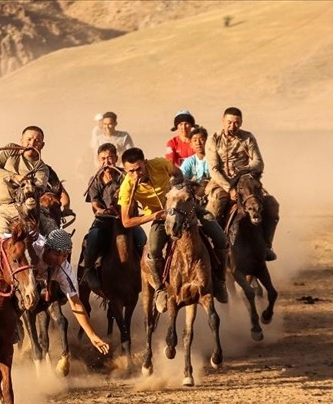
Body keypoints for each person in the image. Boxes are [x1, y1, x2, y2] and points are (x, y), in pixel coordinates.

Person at [118, 148, 228, 313]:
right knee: (153, 250)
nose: (136, 174)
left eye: (139, 168)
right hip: (160, 219)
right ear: (126, 171)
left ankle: (219, 281)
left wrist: (176, 189)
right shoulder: (127, 186)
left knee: (220, 238)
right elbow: (126, 221)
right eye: (131, 171)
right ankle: (161, 289)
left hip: (184, 209)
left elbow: (178, 174)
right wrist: (154, 216)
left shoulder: (160, 164)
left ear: (145, 163)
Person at [206, 107, 280, 261]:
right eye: (229, 122)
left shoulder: (248, 138)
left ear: (241, 123)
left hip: (245, 181)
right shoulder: (213, 139)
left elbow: (258, 162)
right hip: (221, 183)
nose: (233, 126)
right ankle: (214, 247)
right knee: (215, 208)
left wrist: (243, 172)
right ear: (223, 121)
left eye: (236, 123)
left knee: (271, 205)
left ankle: (266, 246)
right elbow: (213, 169)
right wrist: (229, 188)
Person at [80, 143, 146, 291]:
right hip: (104, 220)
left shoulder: (126, 175)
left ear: (116, 158)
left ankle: (150, 274)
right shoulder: (94, 179)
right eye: (103, 158)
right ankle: (89, 270)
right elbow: (95, 203)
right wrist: (101, 210)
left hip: (126, 220)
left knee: (142, 239)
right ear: (98, 160)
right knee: (93, 237)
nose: (107, 162)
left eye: (110, 158)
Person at [0, 126, 56, 236]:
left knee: (56, 237)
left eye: (37, 141)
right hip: (4, 209)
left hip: (30, 211)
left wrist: (27, 184)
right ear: (21, 141)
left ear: (42, 145)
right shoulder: (10, 151)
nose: (32, 143)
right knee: (1, 241)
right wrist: (13, 177)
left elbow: (39, 188)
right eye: (29, 139)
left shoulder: (42, 168)